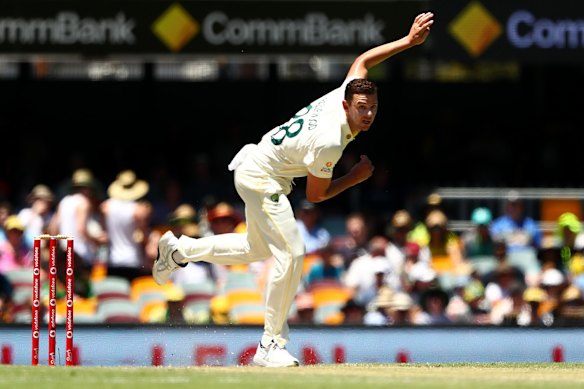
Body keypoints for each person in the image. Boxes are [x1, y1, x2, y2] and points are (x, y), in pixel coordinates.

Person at [152, 11, 434, 368]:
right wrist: (356, 177)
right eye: (362, 109)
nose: (368, 116)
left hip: (259, 168)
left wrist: (408, 42)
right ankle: (270, 344)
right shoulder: (331, 142)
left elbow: (363, 60)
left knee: (255, 248)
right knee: (293, 252)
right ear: (347, 105)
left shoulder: (341, 94)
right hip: (261, 175)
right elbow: (316, 196)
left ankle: (179, 250)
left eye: (374, 109)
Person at [100, 170, 153, 282]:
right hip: (132, 260)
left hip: (112, 261)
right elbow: (143, 238)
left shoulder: (106, 207)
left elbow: (104, 233)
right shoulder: (139, 210)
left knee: (115, 296)